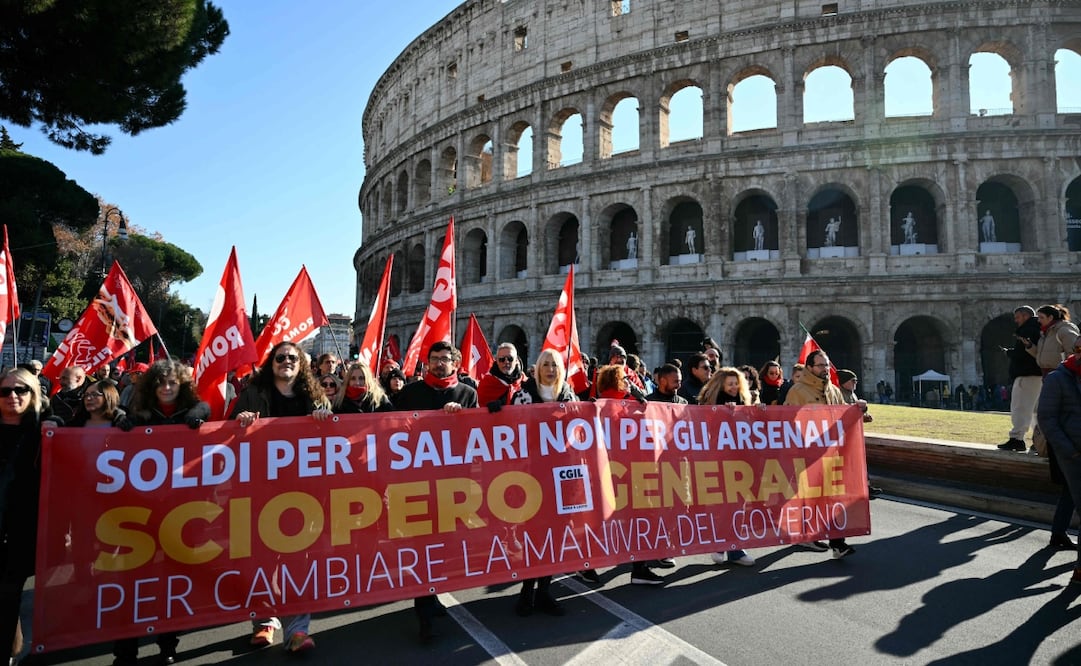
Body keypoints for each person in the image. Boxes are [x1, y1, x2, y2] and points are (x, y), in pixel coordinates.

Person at [232, 341, 332, 654]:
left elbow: (331, 437)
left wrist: (325, 416)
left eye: (293, 357)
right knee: (260, 559)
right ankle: (264, 621)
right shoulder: (251, 394)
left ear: (302, 363)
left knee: (297, 561)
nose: (286, 361)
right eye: (280, 357)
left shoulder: (313, 395)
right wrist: (241, 420)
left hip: (302, 491)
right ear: (271, 363)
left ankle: (298, 631)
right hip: (260, 488)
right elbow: (228, 434)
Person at [113, 360, 210, 665]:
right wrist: (120, 419)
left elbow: (205, 407)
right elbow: (112, 422)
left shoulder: (193, 412)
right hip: (140, 510)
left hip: (180, 508)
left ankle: (168, 644)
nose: (166, 389)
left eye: (172, 383)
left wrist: (197, 414)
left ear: (182, 387)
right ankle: (125, 652)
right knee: (132, 582)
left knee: (173, 580)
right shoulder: (139, 415)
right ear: (152, 386)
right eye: (160, 383)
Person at [392, 341, 478, 642]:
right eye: (435, 359)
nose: (440, 364)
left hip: (454, 484)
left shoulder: (468, 394)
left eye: (445, 359)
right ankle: (424, 612)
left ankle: (433, 594)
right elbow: (388, 426)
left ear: (455, 363)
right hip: (417, 483)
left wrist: (467, 416)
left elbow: (478, 435)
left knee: (445, 544)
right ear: (426, 362)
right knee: (422, 545)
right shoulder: (410, 393)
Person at [505, 349, 575, 612]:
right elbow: (511, 431)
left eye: (555, 365)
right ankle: (526, 590)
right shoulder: (524, 395)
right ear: (537, 369)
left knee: (556, 535)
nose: (550, 369)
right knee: (534, 534)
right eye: (545, 364)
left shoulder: (569, 395)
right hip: (532, 475)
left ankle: (545, 589)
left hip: (562, 475)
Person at [0, 369, 59, 665]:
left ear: (33, 393)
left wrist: (55, 424)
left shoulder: (44, 431)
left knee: (9, 593)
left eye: (21, 390)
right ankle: (12, 643)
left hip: (22, 529)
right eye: (5, 391)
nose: (13, 396)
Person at [784, 350, 857, 558]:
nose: (825, 369)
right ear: (809, 367)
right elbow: (787, 422)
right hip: (808, 453)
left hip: (831, 451)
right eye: (820, 366)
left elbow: (842, 414)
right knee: (812, 498)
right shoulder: (797, 391)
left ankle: (837, 544)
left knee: (834, 498)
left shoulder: (833, 390)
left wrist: (859, 413)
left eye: (827, 365)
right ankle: (806, 535)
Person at [697, 367, 758, 567]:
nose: (734, 387)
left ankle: (733, 548)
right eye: (730, 384)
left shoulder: (744, 403)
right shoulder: (711, 403)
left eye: (736, 383)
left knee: (738, 505)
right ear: (721, 385)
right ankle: (721, 544)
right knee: (724, 505)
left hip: (742, 461)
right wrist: (725, 414)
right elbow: (706, 428)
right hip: (719, 460)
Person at [1035, 338, 1081, 586]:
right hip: (1072, 453)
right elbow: (1046, 418)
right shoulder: (1058, 379)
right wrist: (1069, 451)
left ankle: (1059, 533)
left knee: (1070, 495)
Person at [998, 306, 1044, 451]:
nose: (1016, 320)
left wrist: (1009, 353)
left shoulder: (1027, 330)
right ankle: (1039, 441)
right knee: (1037, 411)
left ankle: (1017, 439)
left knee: (1020, 407)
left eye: (1017, 317)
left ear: (1025, 316)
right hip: (1039, 374)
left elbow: (1022, 353)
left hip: (1027, 374)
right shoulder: (1040, 328)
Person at [1028, 304, 1080, 376]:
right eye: (1038, 317)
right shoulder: (1046, 333)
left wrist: (1068, 371)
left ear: (1050, 318)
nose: (1039, 320)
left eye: (1041, 317)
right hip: (1047, 374)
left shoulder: (1064, 330)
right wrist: (1029, 346)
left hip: (1061, 374)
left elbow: (1075, 352)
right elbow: (1044, 355)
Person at [477, 342, 524, 407]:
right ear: (497, 361)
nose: (506, 362)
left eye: (510, 359)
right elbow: (478, 408)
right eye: (502, 359)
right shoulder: (487, 382)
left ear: (516, 361)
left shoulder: (524, 381)